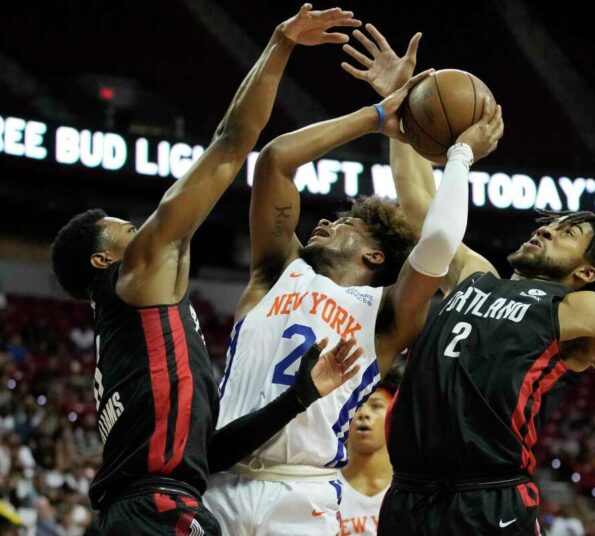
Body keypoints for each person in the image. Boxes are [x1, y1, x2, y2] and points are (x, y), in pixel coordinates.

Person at [342, 24, 595, 535]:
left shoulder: (580, 309)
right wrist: (402, 106)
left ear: (587, 272)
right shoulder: (475, 275)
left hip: (490, 501)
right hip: (411, 496)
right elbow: (421, 208)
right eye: (548, 224)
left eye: (566, 232)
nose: (547, 230)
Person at [50, 5, 364, 534]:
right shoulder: (137, 274)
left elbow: (213, 452)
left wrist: (302, 395)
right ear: (104, 260)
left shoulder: (133, 334)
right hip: (155, 511)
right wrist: (280, 44)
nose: (140, 227)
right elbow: (230, 142)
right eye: (124, 227)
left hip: (165, 505)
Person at [203, 37, 505, 535]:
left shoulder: (386, 314)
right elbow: (276, 160)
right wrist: (380, 116)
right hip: (219, 480)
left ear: (375, 255)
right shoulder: (278, 270)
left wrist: (459, 157)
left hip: (305, 495)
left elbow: (440, 239)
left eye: (346, 222)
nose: (323, 223)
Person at [337, 365, 402, 536]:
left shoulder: (410, 489)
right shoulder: (323, 486)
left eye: (375, 406)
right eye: (356, 407)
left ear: (393, 413)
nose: (363, 414)